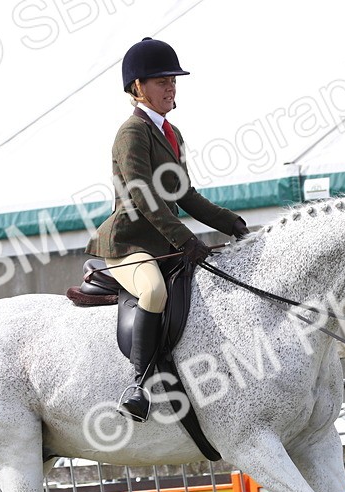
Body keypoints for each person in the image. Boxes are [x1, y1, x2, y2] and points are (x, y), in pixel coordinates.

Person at [86, 37, 249, 422]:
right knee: (154, 290)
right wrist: (185, 239)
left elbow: (184, 195)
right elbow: (144, 197)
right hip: (128, 244)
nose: (171, 86)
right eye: (162, 81)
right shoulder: (132, 133)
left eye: (173, 79)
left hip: (163, 244)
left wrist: (232, 224)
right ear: (138, 87)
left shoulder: (172, 133)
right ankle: (137, 383)